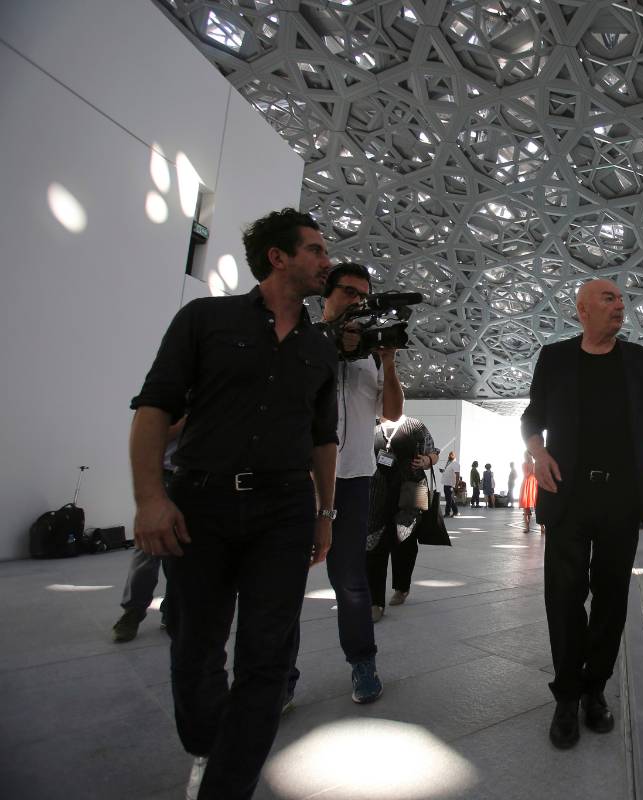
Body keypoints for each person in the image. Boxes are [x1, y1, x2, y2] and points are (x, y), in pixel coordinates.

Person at [130, 208, 338, 800]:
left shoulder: (320, 348)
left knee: (267, 658)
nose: (326, 261)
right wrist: (150, 498)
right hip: (203, 504)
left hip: (284, 510)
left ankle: (226, 785)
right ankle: (208, 743)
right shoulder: (205, 320)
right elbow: (154, 407)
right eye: (316, 250)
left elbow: (323, 439)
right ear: (278, 257)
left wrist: (324, 514)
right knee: (196, 647)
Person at [521, 278, 643, 750]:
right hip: (567, 495)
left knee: (611, 599)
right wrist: (537, 453)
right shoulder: (555, 358)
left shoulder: (641, 362)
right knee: (563, 597)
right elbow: (532, 417)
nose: (620, 305)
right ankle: (567, 695)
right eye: (609, 298)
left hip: (623, 496)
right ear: (583, 310)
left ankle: (595, 689)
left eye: (622, 298)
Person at [282, 262, 403, 709]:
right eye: (348, 291)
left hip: (354, 480)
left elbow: (391, 413)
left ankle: (363, 662)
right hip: (301, 479)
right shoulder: (304, 342)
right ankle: (281, 676)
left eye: (363, 295)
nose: (357, 301)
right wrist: (334, 346)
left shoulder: (369, 355)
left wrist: (387, 362)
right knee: (285, 583)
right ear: (326, 295)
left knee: (351, 580)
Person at [112, 415, 185, 643]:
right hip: (164, 477)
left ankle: (172, 610)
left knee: (183, 551)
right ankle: (132, 613)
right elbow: (150, 437)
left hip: (195, 479)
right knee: (148, 550)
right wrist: (184, 422)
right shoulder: (168, 401)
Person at [367, 416, 438, 618]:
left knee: (405, 541)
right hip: (378, 489)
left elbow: (434, 452)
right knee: (374, 541)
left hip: (412, 489)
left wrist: (427, 460)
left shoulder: (415, 426)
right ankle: (375, 602)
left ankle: (402, 587)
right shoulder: (372, 426)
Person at [519, 450, 538, 533]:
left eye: (528, 455)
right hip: (526, 485)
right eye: (526, 455)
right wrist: (532, 467)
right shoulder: (524, 464)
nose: (527, 457)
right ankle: (527, 527)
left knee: (538, 506)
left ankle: (542, 527)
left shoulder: (535, 464)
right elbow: (526, 474)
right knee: (526, 508)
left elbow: (536, 474)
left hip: (534, 485)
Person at [442, 451, 461, 518]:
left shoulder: (455, 463)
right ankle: (456, 512)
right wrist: (443, 471)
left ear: (454, 456)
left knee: (448, 499)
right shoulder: (450, 463)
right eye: (449, 455)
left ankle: (447, 513)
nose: (450, 456)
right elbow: (449, 472)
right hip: (446, 483)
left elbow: (457, 475)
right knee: (449, 499)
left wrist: (456, 485)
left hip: (450, 484)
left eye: (451, 455)